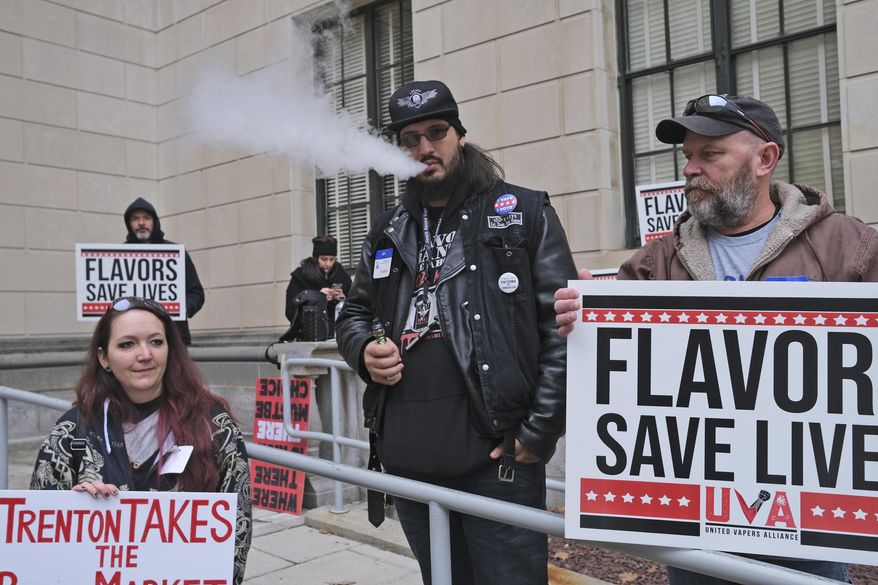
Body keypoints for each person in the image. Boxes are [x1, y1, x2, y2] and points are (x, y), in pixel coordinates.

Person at [554, 94, 878, 583]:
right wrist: (583, 322)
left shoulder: (848, 246)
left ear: (765, 159)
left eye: (710, 154)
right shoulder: (654, 261)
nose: (690, 169)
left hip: (806, 523)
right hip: (694, 532)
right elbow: (617, 373)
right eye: (688, 156)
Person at [335, 79, 577, 585]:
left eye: (437, 132)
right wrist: (362, 351)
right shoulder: (387, 230)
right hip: (409, 459)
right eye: (410, 139)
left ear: (459, 135)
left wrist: (539, 432)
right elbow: (354, 312)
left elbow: (561, 330)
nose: (425, 148)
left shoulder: (525, 213)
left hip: (499, 460)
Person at [30, 296, 252, 585]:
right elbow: (38, 539)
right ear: (104, 357)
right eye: (127, 344)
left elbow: (237, 529)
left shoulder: (213, 424)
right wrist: (73, 511)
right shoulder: (72, 432)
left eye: (156, 342)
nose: (145, 354)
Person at [124, 198, 205, 346]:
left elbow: (196, 293)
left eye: (146, 218)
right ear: (129, 224)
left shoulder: (175, 253)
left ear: (154, 221)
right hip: (133, 340)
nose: (141, 223)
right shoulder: (117, 256)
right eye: (135, 219)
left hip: (173, 339)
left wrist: (182, 308)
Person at [284, 235, 352, 340]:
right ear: (316, 258)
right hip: (308, 337)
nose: (328, 264)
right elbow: (291, 311)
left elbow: (355, 307)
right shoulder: (300, 276)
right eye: (323, 259)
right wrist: (317, 297)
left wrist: (343, 298)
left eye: (332, 259)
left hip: (338, 336)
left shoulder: (343, 277)